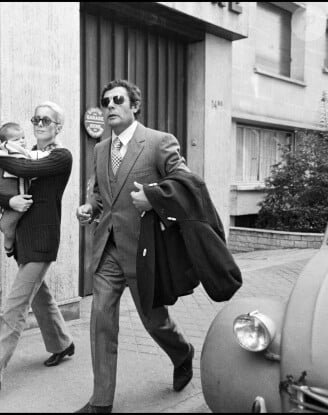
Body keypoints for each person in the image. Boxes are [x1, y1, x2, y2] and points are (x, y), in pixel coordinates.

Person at [75, 80, 194, 413]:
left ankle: (182, 352)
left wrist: (154, 198)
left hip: (145, 251)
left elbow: (186, 185)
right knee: (100, 318)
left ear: (134, 106)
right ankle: (101, 402)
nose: (110, 106)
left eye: (117, 100)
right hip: (107, 251)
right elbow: (102, 198)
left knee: (154, 321)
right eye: (105, 102)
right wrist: (89, 209)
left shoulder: (158, 142)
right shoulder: (100, 150)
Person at [0, 101, 75, 400]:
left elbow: (25, 168)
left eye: (46, 120)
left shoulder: (60, 156)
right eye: (36, 118)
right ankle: (63, 343)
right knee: (40, 297)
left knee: (14, 308)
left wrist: (0, 154)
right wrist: (9, 202)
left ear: (57, 127)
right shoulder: (22, 152)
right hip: (22, 241)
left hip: (42, 242)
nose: (39, 124)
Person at [0, 122, 50, 257]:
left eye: (23, 138)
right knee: (8, 225)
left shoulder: (25, 153)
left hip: (30, 224)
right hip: (11, 194)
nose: (22, 142)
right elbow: (26, 165)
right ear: (6, 143)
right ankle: (8, 246)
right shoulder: (6, 154)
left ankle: (10, 245)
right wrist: (10, 201)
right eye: (16, 140)